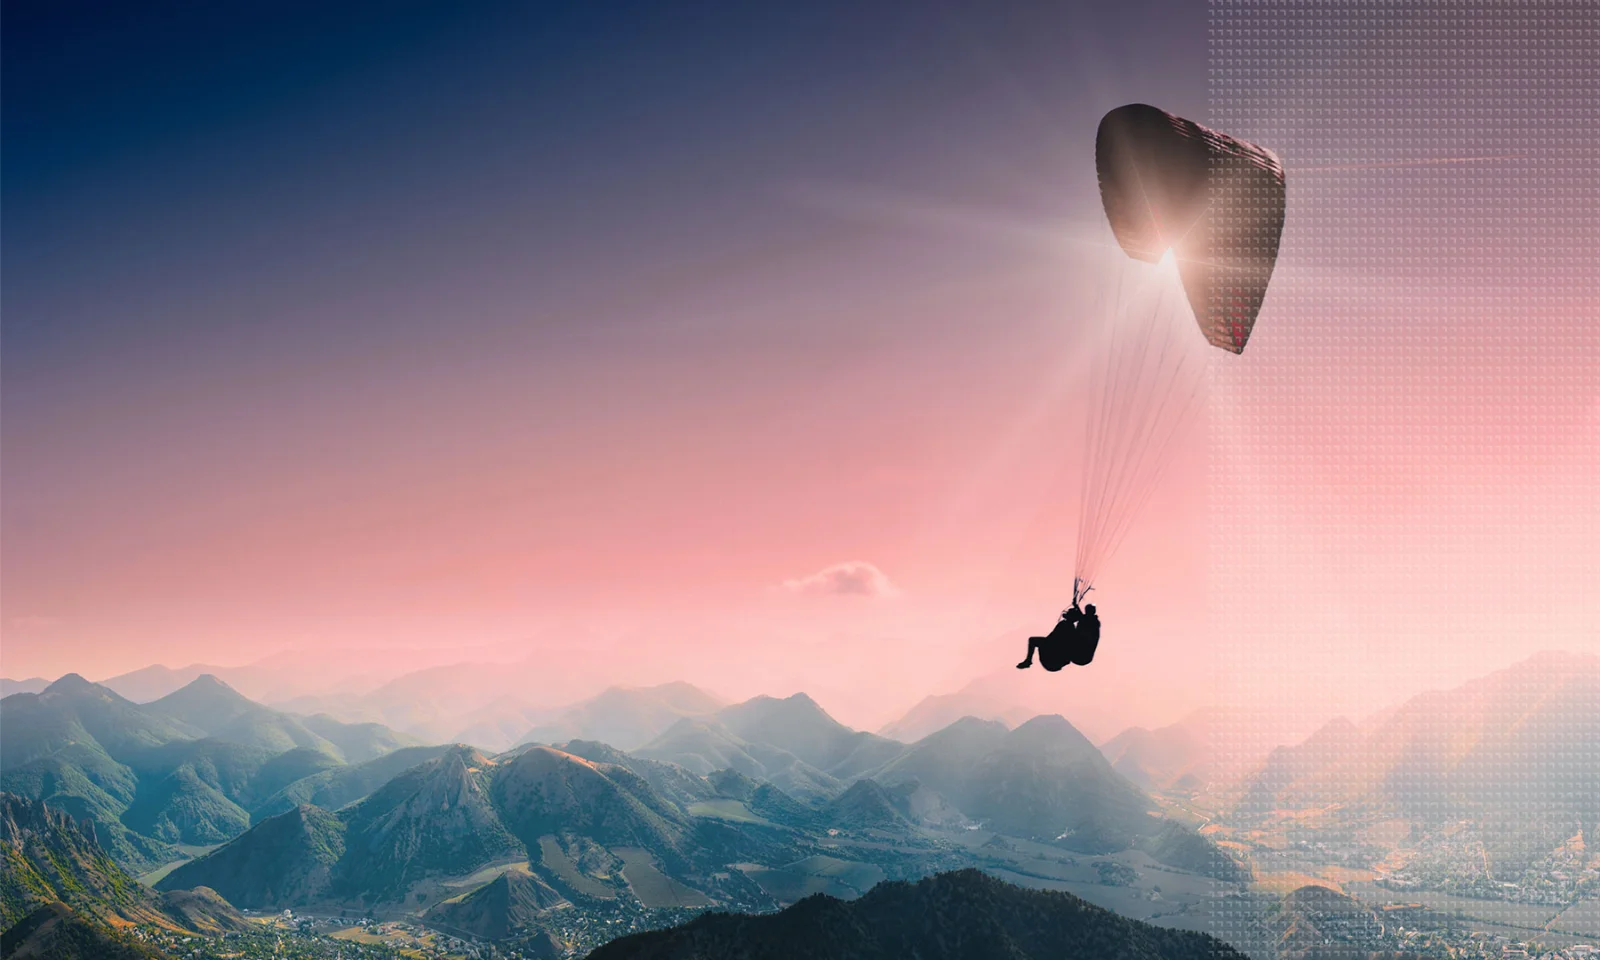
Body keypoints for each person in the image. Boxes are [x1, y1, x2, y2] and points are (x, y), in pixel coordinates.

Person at [1017, 606, 1080, 672]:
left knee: (1032, 640)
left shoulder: (1065, 626)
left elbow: (1053, 639)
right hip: (1055, 660)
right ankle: (1028, 661)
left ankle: (1028, 661)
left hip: (1052, 658)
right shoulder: (1069, 627)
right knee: (1033, 640)